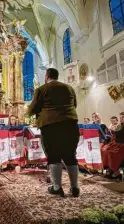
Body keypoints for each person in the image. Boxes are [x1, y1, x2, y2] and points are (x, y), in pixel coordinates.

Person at [28, 68, 80, 197]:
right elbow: (75, 104)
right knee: (70, 156)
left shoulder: (41, 89)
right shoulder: (69, 88)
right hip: (70, 124)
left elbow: (32, 109)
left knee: (54, 156)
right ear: (57, 76)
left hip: (51, 125)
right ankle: (75, 188)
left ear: (46, 76)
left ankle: (57, 187)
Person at [100, 112, 124, 179]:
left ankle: (116, 172)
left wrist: (113, 131)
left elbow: (123, 135)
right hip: (120, 143)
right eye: (120, 118)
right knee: (104, 150)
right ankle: (110, 170)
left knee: (110, 152)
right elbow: (120, 134)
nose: (121, 119)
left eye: (123, 117)